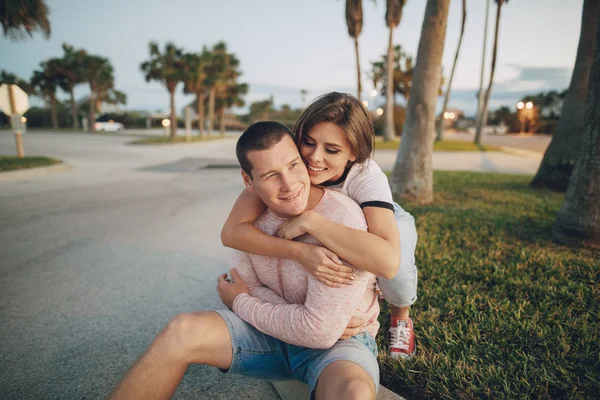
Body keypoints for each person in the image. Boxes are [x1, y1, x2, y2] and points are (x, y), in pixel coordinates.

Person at [110, 121, 380, 400]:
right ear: (248, 181)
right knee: (181, 331)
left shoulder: (342, 221)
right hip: (267, 336)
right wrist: (301, 317)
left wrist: (241, 302)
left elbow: (319, 334)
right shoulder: (249, 225)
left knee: (354, 393)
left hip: (340, 343)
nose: (289, 185)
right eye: (271, 175)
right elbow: (249, 287)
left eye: (293, 166)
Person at [222, 92, 419, 359]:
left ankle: (401, 318)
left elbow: (386, 261)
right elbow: (232, 232)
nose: (314, 158)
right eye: (309, 143)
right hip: (341, 222)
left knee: (398, 274)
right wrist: (298, 252)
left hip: (387, 217)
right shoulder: (289, 165)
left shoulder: (367, 178)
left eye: (332, 150)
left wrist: (313, 222)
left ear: (353, 153)